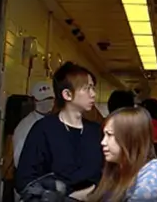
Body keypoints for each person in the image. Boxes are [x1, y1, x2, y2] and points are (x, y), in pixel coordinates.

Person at [16, 62, 105, 200]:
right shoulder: (43, 129)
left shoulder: (96, 132)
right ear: (67, 94)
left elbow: (107, 173)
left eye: (93, 88)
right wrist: (67, 197)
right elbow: (25, 180)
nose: (93, 94)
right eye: (87, 88)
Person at [89, 107, 157, 202]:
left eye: (109, 135)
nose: (103, 142)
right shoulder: (114, 170)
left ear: (131, 138)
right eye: (104, 135)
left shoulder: (155, 169)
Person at [13, 82, 56, 168]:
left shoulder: (56, 122)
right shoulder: (25, 127)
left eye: (50, 99)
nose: (47, 103)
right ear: (32, 100)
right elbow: (20, 161)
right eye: (43, 100)